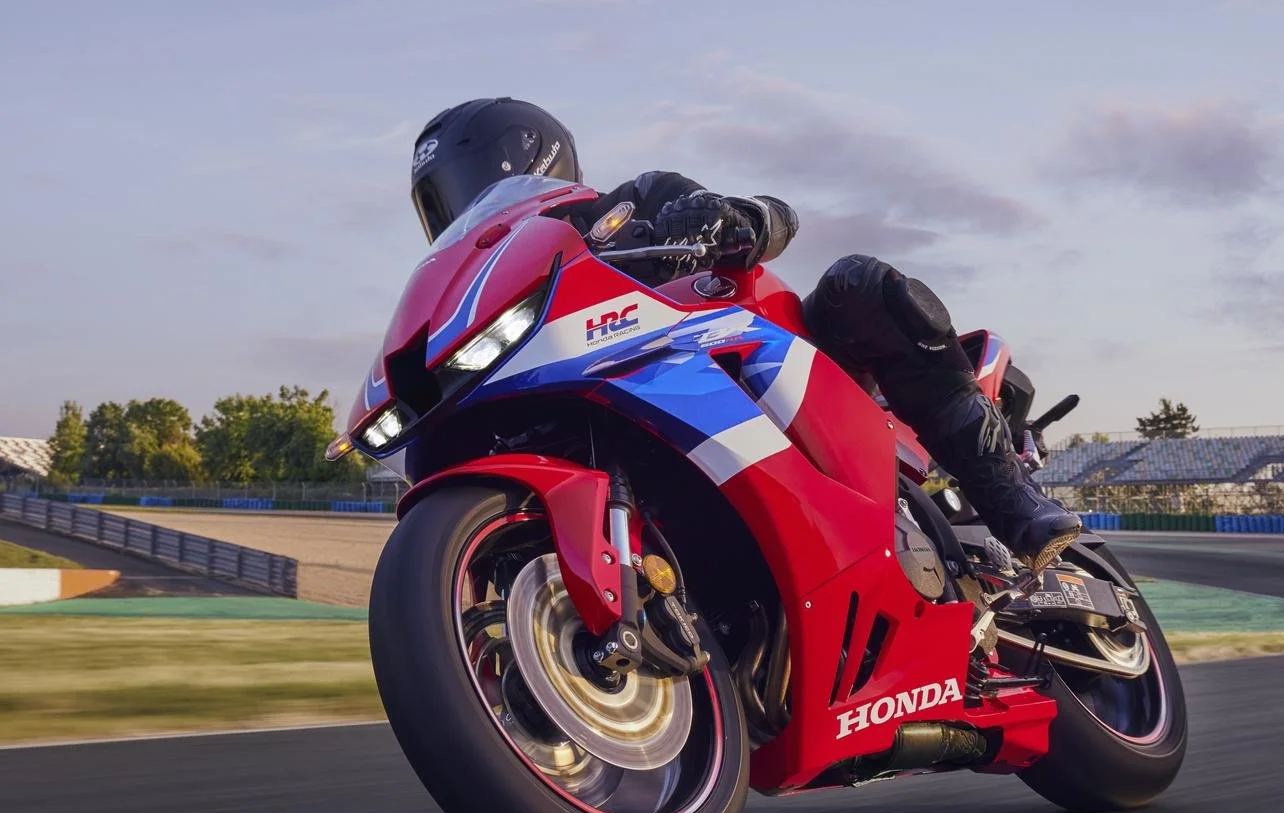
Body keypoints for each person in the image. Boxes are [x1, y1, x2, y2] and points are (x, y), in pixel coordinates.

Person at [409, 98, 1081, 572]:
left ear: (530, 158)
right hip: (607, 404)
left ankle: (1009, 500)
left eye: (459, 184)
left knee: (859, 285)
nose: (455, 206)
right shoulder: (478, 285)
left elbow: (770, 219)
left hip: (736, 357)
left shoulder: (626, 203)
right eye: (436, 199)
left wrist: (732, 219)